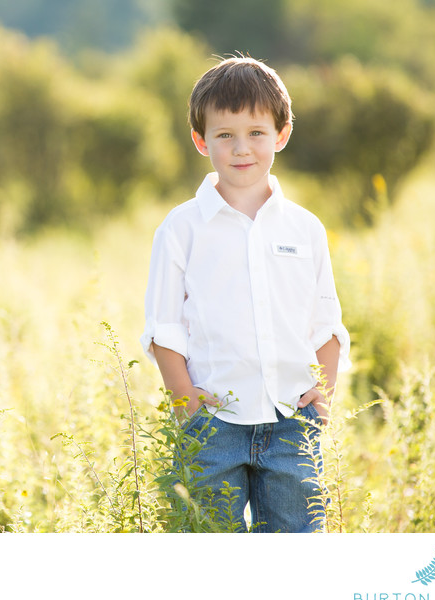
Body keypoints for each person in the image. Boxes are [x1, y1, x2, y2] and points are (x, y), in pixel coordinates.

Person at [140, 56, 351, 532]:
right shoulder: (182, 229)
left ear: (282, 134)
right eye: (224, 135)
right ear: (201, 140)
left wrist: (325, 395)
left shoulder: (305, 228)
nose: (241, 148)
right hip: (212, 426)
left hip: (292, 422)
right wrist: (189, 410)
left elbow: (326, 322)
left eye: (256, 133)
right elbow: (163, 330)